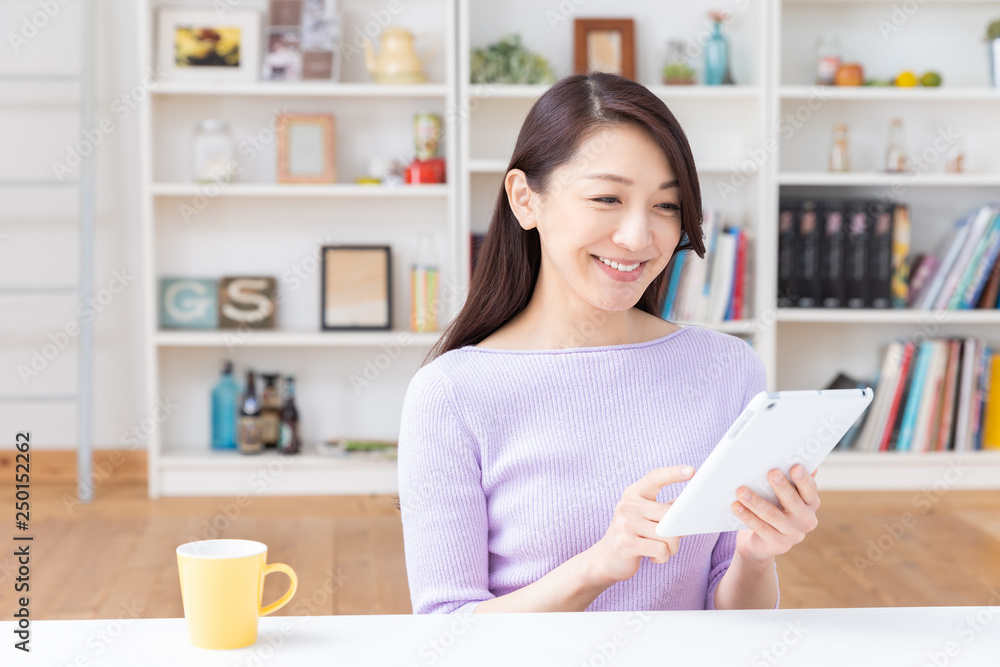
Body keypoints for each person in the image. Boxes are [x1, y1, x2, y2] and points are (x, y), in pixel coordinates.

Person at [396, 72, 821, 614]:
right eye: (606, 198)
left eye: (666, 207)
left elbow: (730, 619)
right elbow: (446, 634)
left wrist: (756, 556)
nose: (639, 237)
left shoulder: (730, 369)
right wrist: (598, 566)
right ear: (525, 200)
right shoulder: (451, 393)